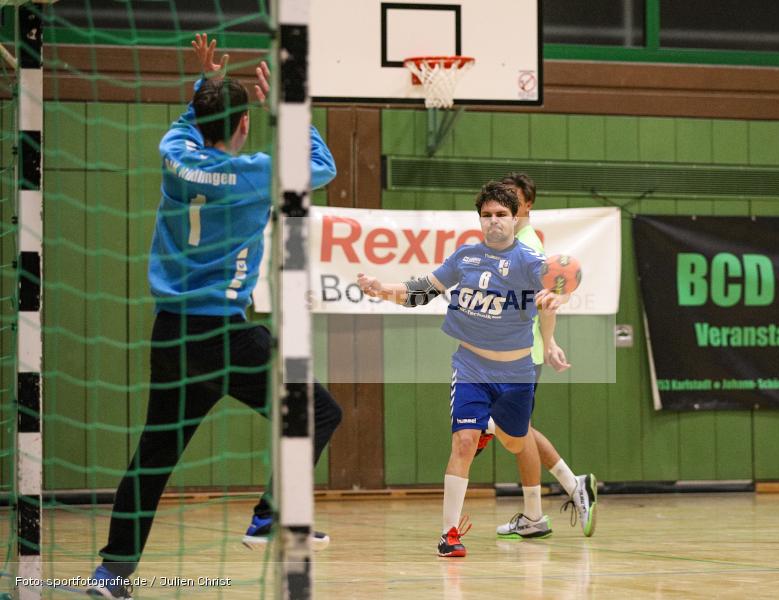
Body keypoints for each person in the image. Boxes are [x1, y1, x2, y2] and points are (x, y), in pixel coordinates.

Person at [87, 34, 339, 599]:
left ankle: (111, 576)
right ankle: (270, 514)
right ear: (245, 125)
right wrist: (289, 108)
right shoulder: (257, 174)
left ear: (199, 123)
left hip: (172, 334)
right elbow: (322, 166)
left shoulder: (174, 156)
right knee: (320, 412)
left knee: (153, 458)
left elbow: (189, 125)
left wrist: (208, 86)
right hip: (227, 334)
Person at [357, 182, 564, 557]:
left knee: (516, 442)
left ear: (514, 218)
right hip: (471, 366)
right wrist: (380, 288)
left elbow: (553, 292)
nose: (493, 221)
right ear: (479, 220)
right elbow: (422, 290)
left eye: (501, 214)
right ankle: (448, 534)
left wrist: (551, 320)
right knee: (463, 442)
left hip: (516, 372)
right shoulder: (465, 257)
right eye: (486, 215)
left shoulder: (529, 260)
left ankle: (491, 426)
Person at [480, 173, 599, 539]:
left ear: (527, 205)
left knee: (507, 429)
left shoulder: (527, 246)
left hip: (518, 356)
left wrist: (548, 341)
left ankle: (537, 513)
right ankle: (570, 486)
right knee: (518, 431)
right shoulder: (508, 242)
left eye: (512, 200)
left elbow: (553, 293)